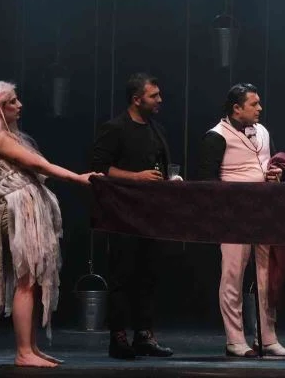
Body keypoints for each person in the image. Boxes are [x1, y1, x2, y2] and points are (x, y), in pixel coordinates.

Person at [0, 81, 99, 368]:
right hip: (18, 211)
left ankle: (31, 347)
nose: (20, 105)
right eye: (13, 101)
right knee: (25, 281)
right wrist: (78, 178)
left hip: (26, 210)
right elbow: (40, 165)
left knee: (32, 281)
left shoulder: (6, 137)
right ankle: (24, 351)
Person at [197, 83, 285, 358]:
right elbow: (206, 182)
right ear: (236, 108)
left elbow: (271, 163)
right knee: (233, 276)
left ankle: (267, 337)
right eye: (254, 104)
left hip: (264, 211)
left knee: (267, 275)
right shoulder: (216, 136)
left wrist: (277, 174)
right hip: (234, 215)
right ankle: (235, 339)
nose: (260, 108)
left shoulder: (262, 130)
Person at [90, 73, 174, 360]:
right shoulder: (115, 128)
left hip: (151, 213)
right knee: (122, 275)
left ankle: (144, 335)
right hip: (122, 213)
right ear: (137, 99)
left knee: (148, 275)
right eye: (154, 96)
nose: (160, 100)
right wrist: (136, 177)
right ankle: (118, 337)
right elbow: (99, 168)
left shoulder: (157, 129)